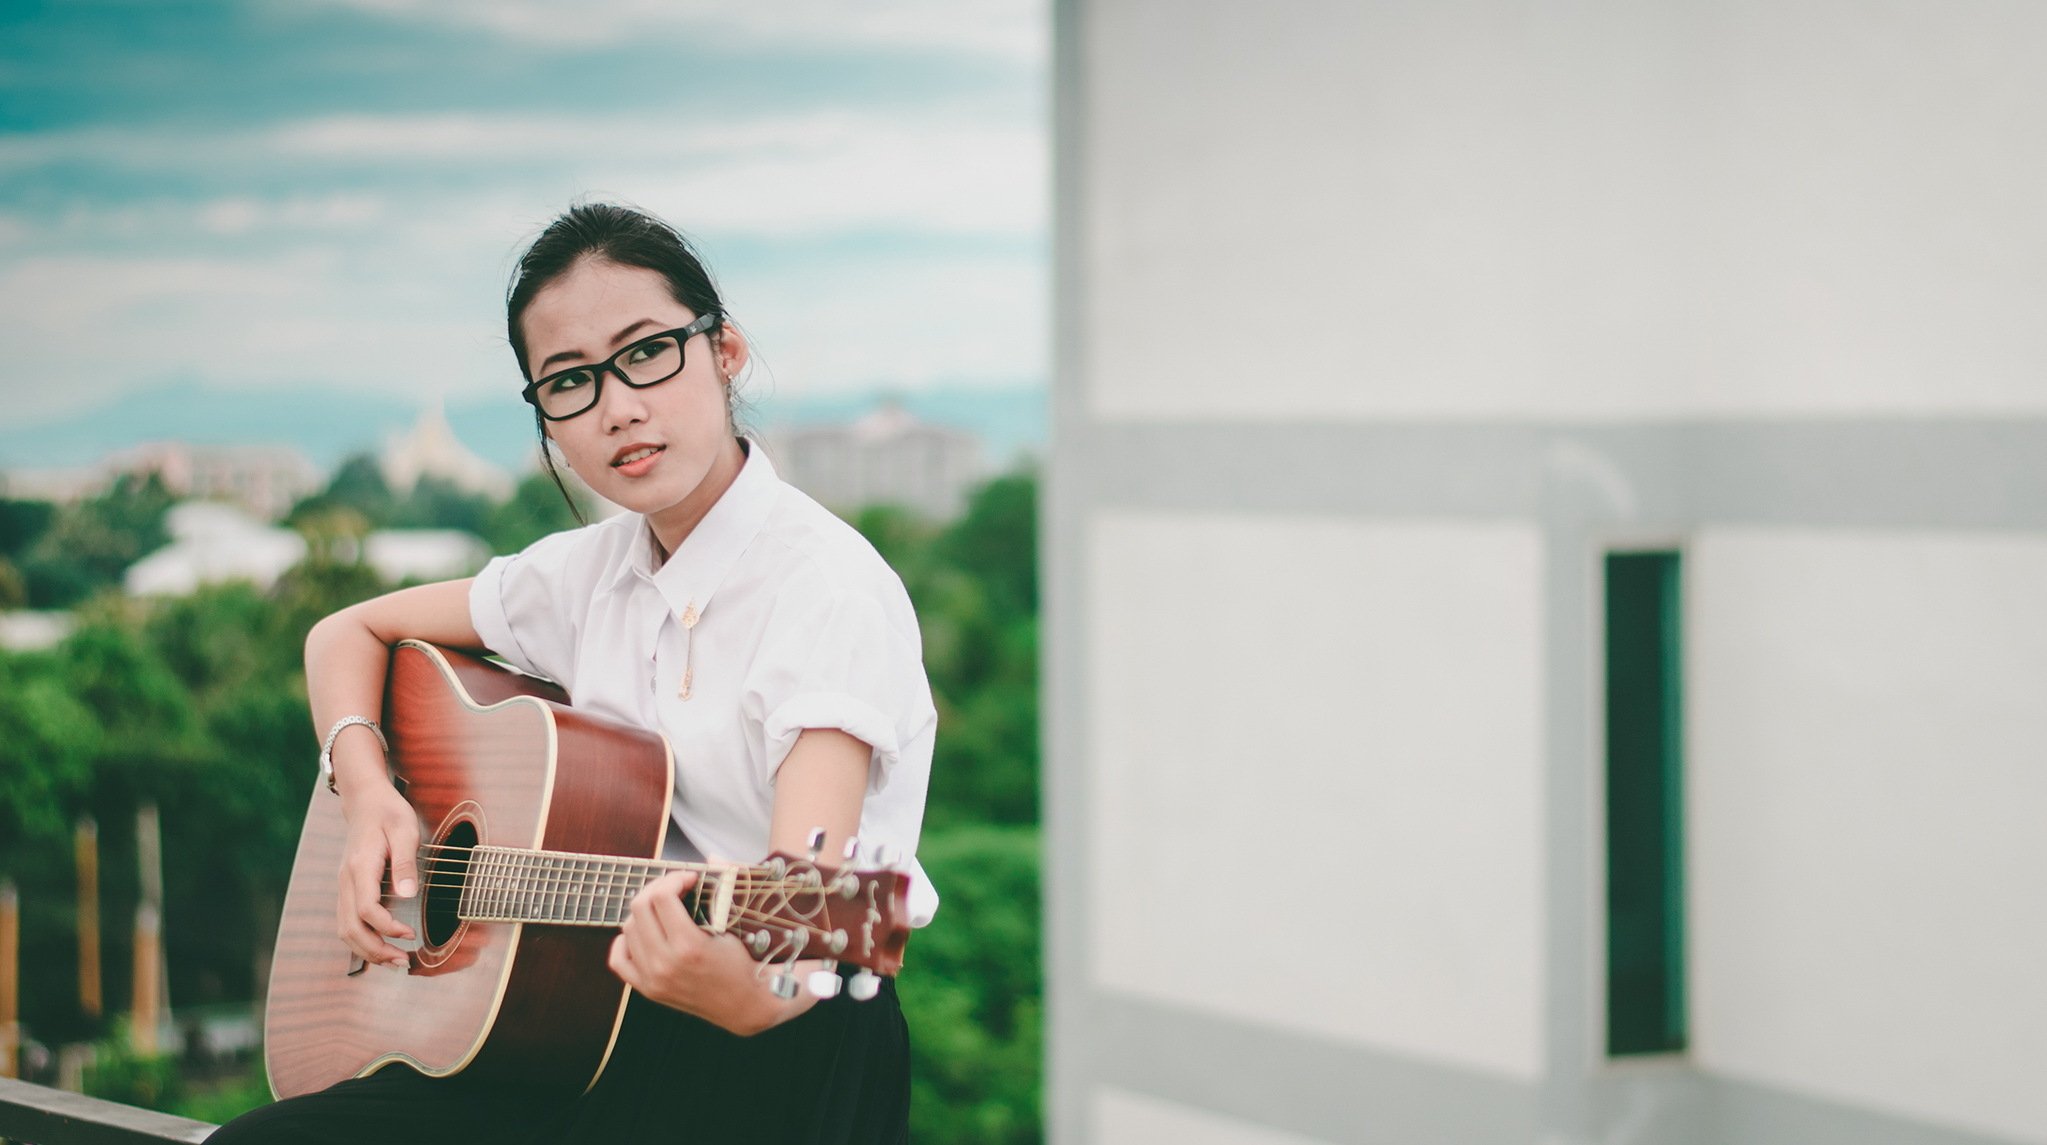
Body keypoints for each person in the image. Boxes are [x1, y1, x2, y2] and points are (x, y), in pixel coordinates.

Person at [209, 202, 937, 1144]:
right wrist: (369, 796)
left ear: (726, 352)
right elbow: (346, 631)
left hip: (772, 1053)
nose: (616, 406)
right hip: (567, 1021)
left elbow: (804, 919)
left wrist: (747, 991)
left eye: (646, 353)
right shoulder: (584, 574)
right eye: (570, 381)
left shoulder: (826, 592)